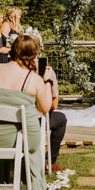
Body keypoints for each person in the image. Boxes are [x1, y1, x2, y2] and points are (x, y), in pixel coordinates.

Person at [0, 35, 50, 190]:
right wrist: (47, 81)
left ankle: (0, 182)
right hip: (19, 140)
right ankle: (32, 186)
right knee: (32, 144)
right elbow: (45, 108)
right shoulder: (33, 79)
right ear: (34, 55)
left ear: (12, 50)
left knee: (7, 130)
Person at [28, 35, 68, 172]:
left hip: (14, 119)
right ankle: (50, 161)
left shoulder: (13, 72)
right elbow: (53, 105)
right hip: (37, 119)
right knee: (61, 119)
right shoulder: (47, 72)